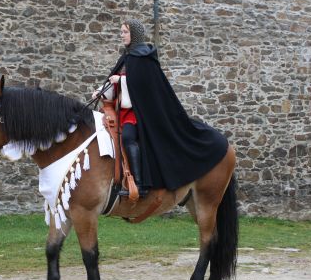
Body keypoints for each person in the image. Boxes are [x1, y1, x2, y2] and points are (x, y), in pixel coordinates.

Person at [93, 18, 228, 196]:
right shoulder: (127, 57)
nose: (122, 35)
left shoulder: (144, 58)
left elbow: (145, 85)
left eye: (125, 32)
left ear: (134, 34)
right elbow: (115, 80)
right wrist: (101, 91)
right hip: (121, 111)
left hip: (139, 112)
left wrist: (122, 80)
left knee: (127, 138)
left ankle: (140, 186)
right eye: (121, 32)